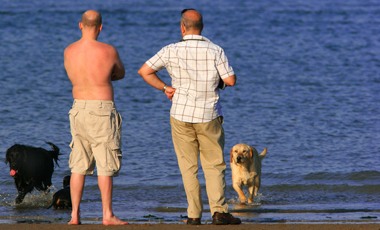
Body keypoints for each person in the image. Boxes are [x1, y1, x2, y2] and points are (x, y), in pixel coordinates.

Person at [138, 9, 241, 225]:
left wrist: (165, 87)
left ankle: (194, 215)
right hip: (208, 114)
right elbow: (230, 80)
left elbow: (145, 71)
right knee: (214, 165)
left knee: (188, 167)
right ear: (201, 27)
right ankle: (219, 212)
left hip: (181, 114)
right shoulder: (215, 50)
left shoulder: (170, 50)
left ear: (182, 28)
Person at [64, 10, 128, 225]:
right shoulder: (108, 50)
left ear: (80, 25)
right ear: (100, 27)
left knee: (78, 164)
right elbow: (120, 73)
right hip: (101, 109)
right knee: (105, 162)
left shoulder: (69, 50)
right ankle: (107, 215)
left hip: (78, 109)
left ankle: (74, 215)